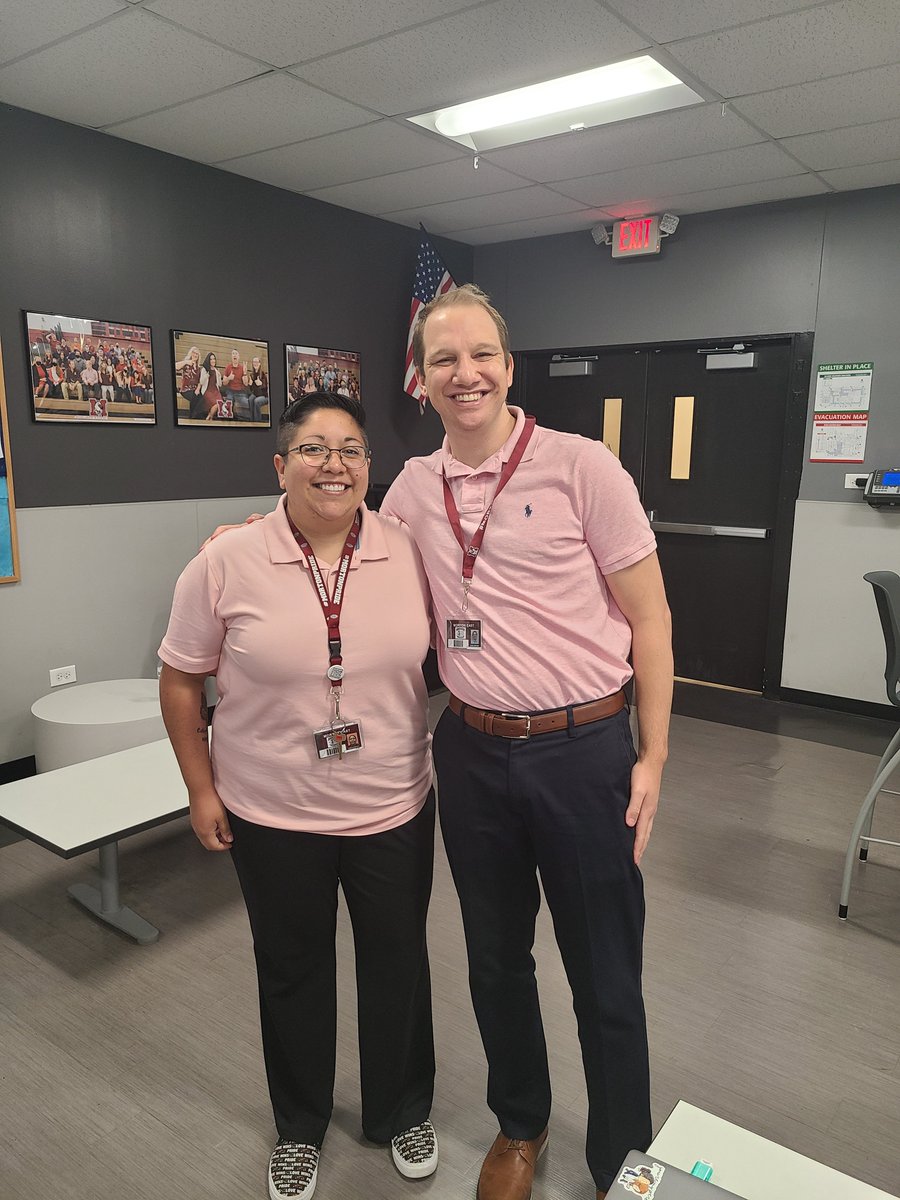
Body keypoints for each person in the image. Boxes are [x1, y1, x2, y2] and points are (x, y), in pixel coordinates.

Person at [380, 284, 673, 1200]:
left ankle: (622, 1157)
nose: (463, 374)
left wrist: (653, 756)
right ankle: (521, 1124)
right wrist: (247, 535)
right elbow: (353, 562)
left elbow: (652, 619)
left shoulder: (584, 469)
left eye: (480, 357)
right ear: (419, 381)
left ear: (509, 368)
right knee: (496, 958)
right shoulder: (412, 490)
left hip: (583, 753)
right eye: (443, 361)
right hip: (468, 753)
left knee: (604, 975)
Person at [158, 392, 440, 1200]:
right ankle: (300, 1127)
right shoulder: (225, 560)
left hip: (393, 806)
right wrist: (200, 788)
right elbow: (180, 680)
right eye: (313, 449)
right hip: (271, 813)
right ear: (279, 467)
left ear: (368, 469)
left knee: (398, 964)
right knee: (291, 969)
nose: (334, 464)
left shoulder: (406, 549)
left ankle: (400, 1109)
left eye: (351, 449)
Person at [198, 351, 230, 420]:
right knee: (215, 404)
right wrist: (207, 375)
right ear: (208, 360)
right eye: (211, 359)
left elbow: (219, 385)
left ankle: (209, 416)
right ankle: (210, 417)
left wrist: (219, 376)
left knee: (219, 403)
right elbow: (201, 382)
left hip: (215, 391)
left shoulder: (216, 371)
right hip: (207, 391)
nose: (213, 361)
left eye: (214, 359)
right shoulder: (204, 369)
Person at [223, 346, 251, 420]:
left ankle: (243, 421)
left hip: (240, 391)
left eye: (236, 354)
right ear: (231, 356)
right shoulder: (228, 367)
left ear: (238, 357)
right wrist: (229, 378)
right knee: (228, 401)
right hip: (230, 390)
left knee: (245, 402)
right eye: (233, 354)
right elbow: (224, 383)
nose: (234, 355)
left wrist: (245, 373)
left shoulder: (242, 368)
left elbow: (246, 384)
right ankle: (228, 421)